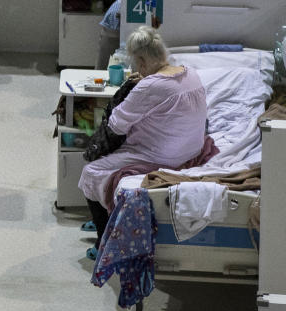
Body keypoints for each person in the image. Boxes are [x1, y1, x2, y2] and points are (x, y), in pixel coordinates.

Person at [79, 26, 209, 259]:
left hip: (161, 155)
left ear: (140, 61)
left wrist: (133, 88)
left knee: (91, 171)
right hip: (192, 148)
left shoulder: (150, 86)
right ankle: (104, 218)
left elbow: (116, 124)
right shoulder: (190, 73)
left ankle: (102, 239)